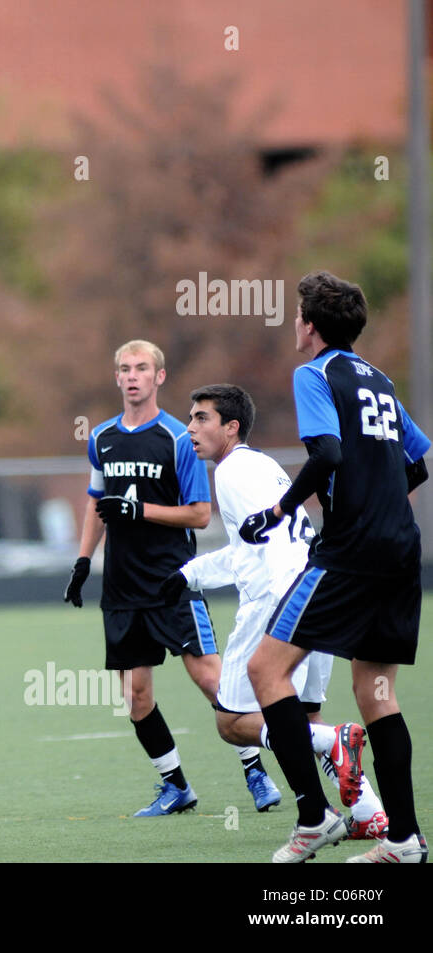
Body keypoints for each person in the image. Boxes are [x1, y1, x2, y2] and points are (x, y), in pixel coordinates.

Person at [243, 271, 429, 863]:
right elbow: (419, 462)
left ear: (312, 326)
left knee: (265, 671)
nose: (295, 324)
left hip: (350, 553)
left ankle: (314, 815)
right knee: (377, 693)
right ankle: (404, 840)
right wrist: (381, 504)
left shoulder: (313, 373)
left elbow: (325, 453)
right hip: (401, 550)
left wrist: (277, 509)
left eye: (298, 315)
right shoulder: (381, 379)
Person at [161, 384, 386, 836]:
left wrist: (288, 613)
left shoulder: (231, 472)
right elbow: (250, 546)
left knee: (231, 722)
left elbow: (275, 547)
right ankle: (369, 815)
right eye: (190, 417)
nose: (190, 427)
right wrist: (190, 574)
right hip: (315, 591)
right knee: (303, 715)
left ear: (231, 426)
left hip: (277, 603)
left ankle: (332, 746)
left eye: (201, 418)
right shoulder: (261, 465)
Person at [63, 340, 234, 817]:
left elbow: (201, 515)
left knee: (208, 678)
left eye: (142, 368)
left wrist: (140, 510)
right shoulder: (101, 437)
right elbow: (98, 504)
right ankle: (176, 786)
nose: (132, 375)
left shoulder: (181, 438)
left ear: (160, 376)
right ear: (116, 377)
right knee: (136, 696)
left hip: (172, 582)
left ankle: (254, 768)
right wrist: (81, 563)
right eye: (124, 368)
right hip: (121, 586)